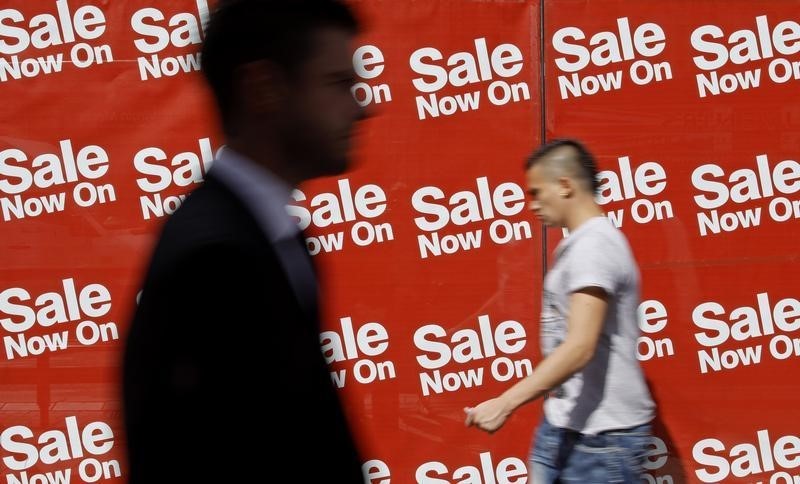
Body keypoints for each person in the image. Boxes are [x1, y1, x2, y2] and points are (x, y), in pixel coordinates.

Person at [122, 1, 365, 482]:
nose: (363, 107)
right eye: (339, 84)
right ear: (264, 89)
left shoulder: (268, 237)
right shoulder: (216, 256)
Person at [465, 139, 655, 483]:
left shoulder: (594, 247)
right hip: (566, 424)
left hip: (601, 439)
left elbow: (580, 347)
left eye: (536, 192)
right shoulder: (582, 244)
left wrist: (504, 403)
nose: (532, 204)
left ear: (565, 186)